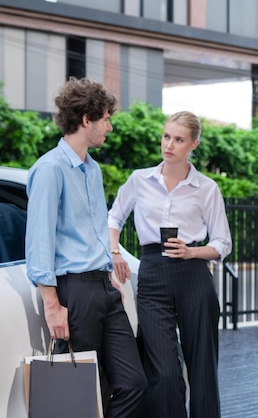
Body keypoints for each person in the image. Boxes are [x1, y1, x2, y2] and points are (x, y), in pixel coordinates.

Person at [26, 77, 147, 418]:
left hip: (104, 288)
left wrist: (108, 275)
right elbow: (39, 241)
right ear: (86, 119)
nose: (109, 127)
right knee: (80, 392)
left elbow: (95, 231)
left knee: (133, 383)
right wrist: (52, 304)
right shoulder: (50, 169)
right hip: (74, 291)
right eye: (106, 118)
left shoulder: (92, 170)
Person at [108, 111, 232, 418]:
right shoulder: (139, 180)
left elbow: (222, 243)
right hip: (152, 274)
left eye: (179, 139)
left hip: (193, 276)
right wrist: (115, 252)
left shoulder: (207, 188)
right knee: (162, 372)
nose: (170, 144)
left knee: (202, 367)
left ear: (193, 144)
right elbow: (113, 217)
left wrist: (192, 252)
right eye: (167, 136)